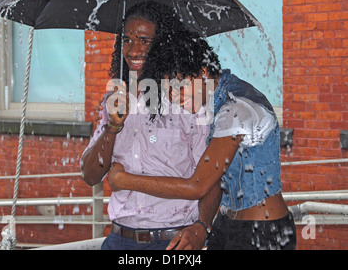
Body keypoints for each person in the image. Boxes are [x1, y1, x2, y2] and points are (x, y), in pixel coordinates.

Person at [107, 31, 297, 250]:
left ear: (203, 72)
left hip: (262, 233)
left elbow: (197, 186)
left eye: (178, 87)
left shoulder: (235, 108)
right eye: (167, 90)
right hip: (226, 224)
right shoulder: (217, 100)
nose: (173, 98)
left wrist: (122, 180)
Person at [81, 1, 220, 250]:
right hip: (119, 241)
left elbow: (213, 177)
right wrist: (112, 127)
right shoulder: (114, 100)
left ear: (163, 45)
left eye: (145, 40)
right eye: (127, 40)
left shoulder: (188, 100)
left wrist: (202, 226)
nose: (134, 50)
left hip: (172, 242)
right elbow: (90, 175)